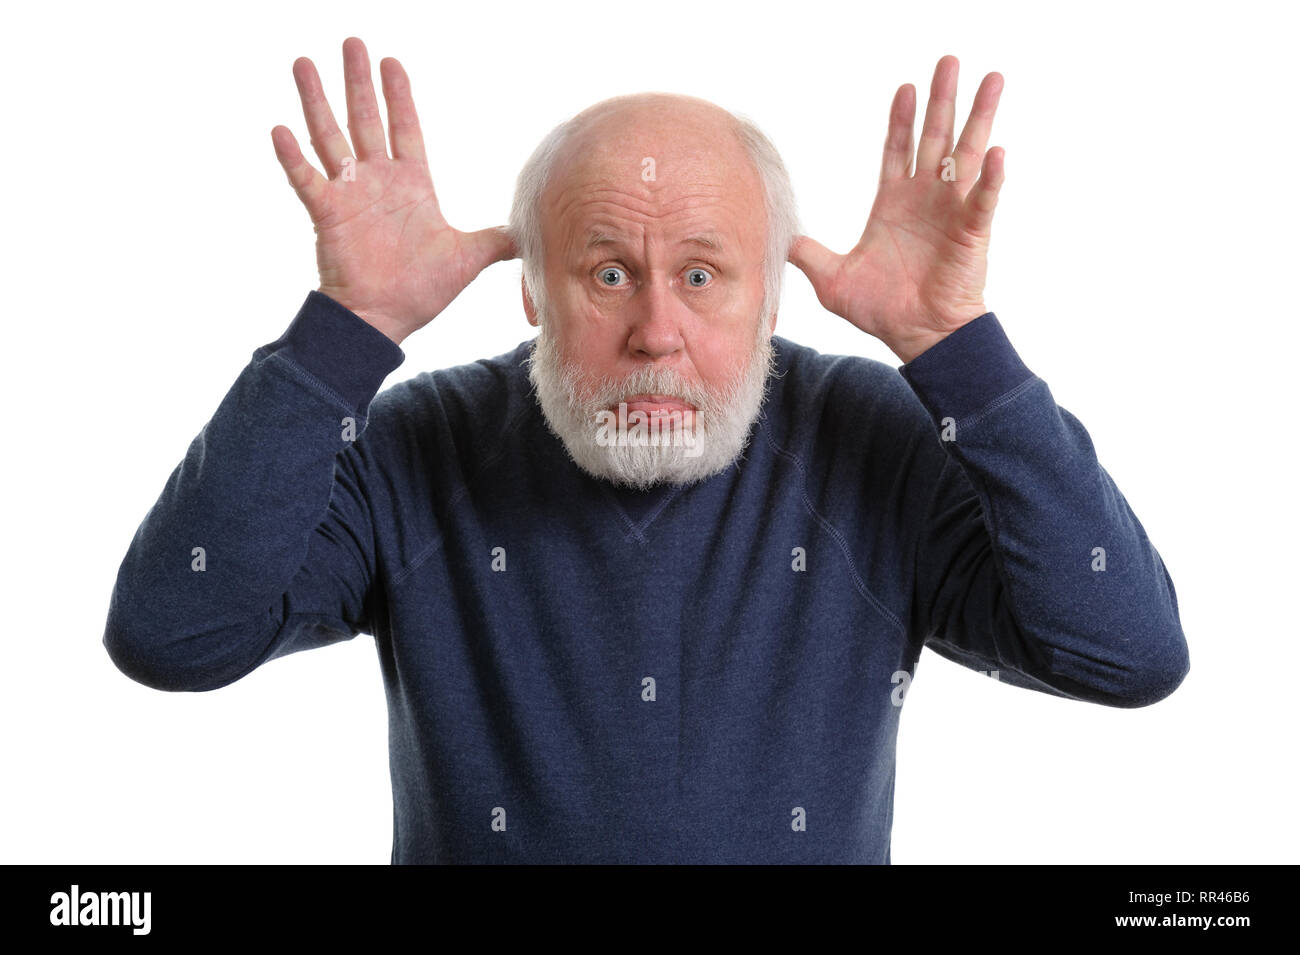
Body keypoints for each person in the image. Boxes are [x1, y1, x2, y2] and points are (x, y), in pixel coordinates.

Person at [103, 37, 1190, 863]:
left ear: (770, 295)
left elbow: (1127, 652)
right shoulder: (421, 444)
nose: (657, 330)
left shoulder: (872, 439)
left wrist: (956, 350)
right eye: (609, 271)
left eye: (705, 275)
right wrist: (347, 330)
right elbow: (172, 632)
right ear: (534, 288)